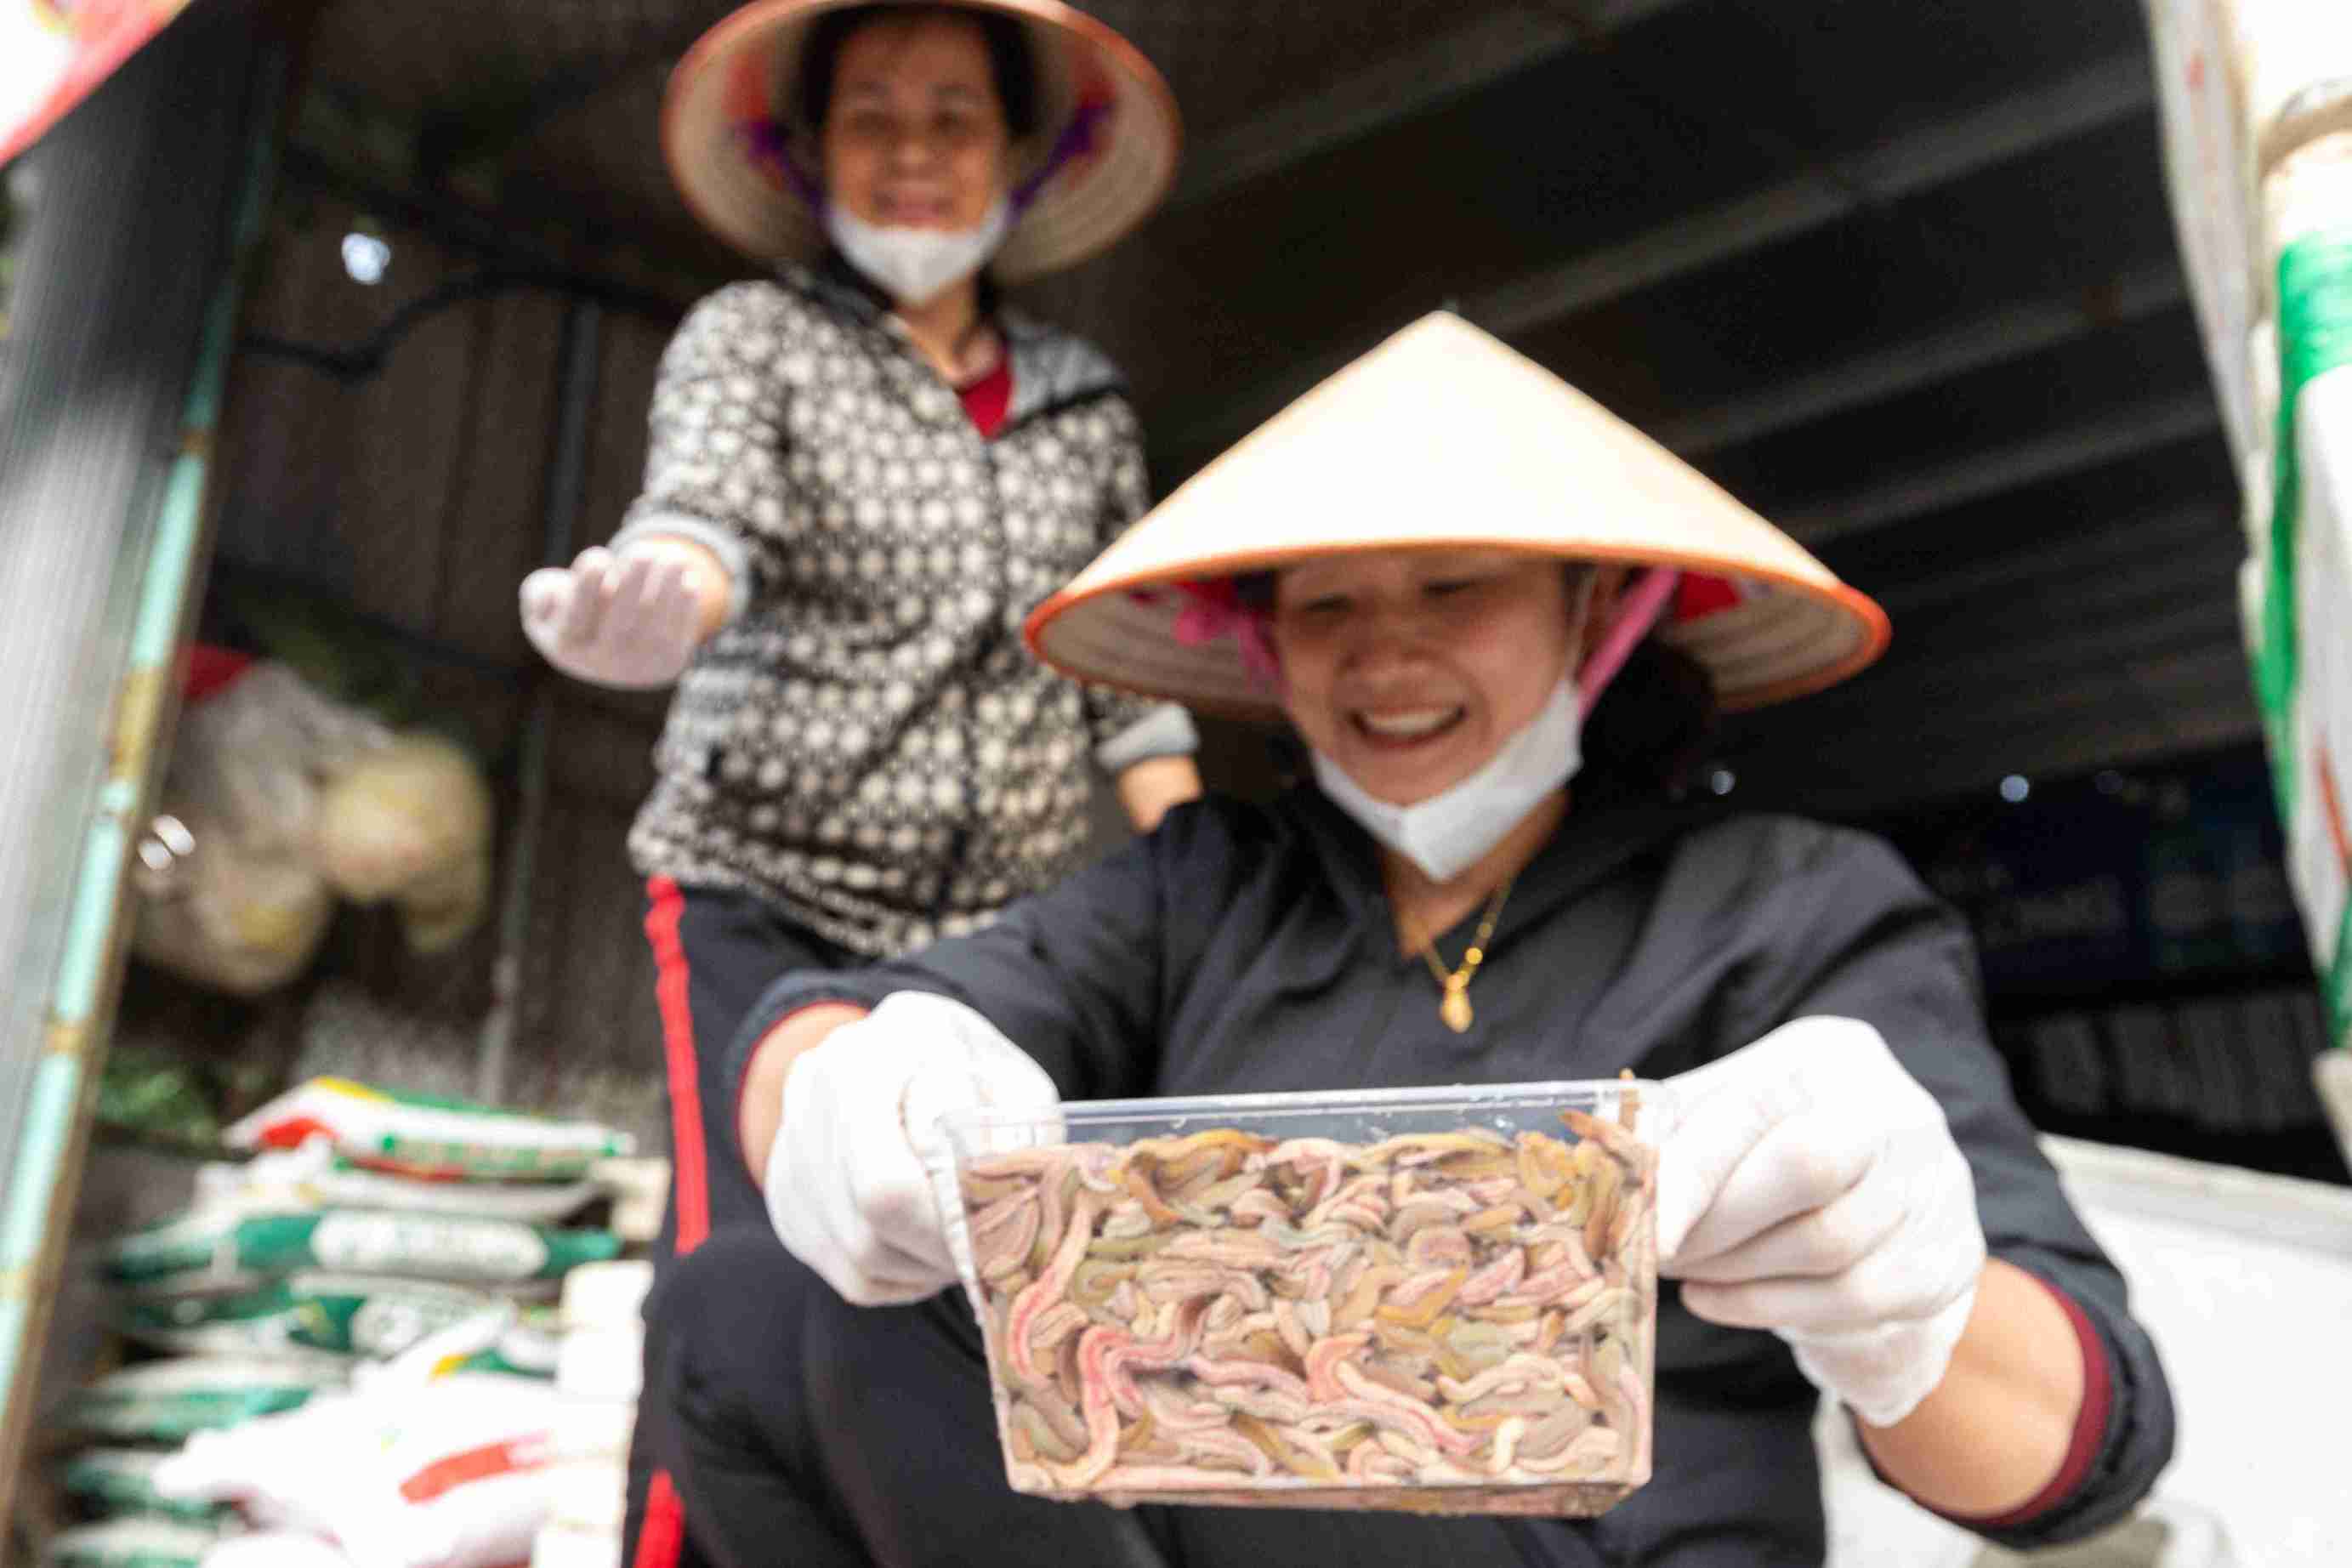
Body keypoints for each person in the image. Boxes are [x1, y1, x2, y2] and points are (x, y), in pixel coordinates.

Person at [645, 314, 2176, 1566]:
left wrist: (1905, 1302)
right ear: (1262, 643)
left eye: (1455, 590)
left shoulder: (1789, 905)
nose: (1387, 652)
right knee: (744, 1306)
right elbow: (848, 1018)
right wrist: (852, 1081)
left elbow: (2074, 1448)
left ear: (1598, 610)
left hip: (1586, 1543)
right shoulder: (1214, 884)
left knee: (1375, 1418)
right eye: (1324, 608)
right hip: (1210, 1522)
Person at [511, 3, 1198, 1562]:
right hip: (770, 896)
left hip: (993, 948)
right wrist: (658, 602)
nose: (911, 150)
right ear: (807, 149)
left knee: (974, 1294)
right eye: (870, 113)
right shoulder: (754, 341)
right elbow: (704, 525)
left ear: (1018, 156)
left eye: (953, 115)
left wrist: (1207, 891)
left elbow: (1125, 683)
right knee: (739, 1280)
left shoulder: (1083, 401)